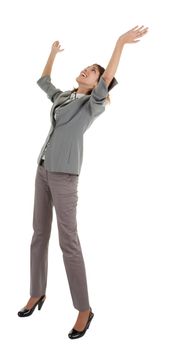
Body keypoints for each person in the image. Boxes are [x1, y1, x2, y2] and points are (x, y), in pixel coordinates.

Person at [17, 25, 148, 339]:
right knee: (38, 234)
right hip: (43, 169)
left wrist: (119, 44)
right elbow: (43, 81)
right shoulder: (64, 96)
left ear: (98, 83)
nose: (86, 71)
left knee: (69, 243)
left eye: (92, 71)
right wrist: (52, 53)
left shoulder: (92, 105)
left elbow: (106, 80)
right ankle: (37, 292)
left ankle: (84, 309)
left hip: (65, 178)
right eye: (86, 68)